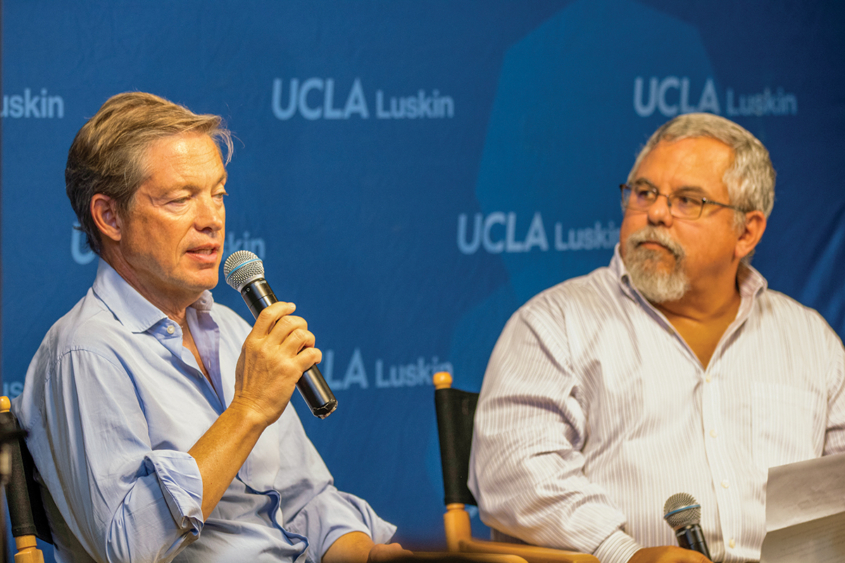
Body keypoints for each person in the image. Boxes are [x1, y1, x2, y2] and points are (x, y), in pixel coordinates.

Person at [14, 92, 408, 563]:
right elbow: (129, 548)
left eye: (218, 194)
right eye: (181, 199)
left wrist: (367, 554)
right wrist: (247, 410)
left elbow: (305, 499)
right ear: (109, 217)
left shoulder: (232, 327)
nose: (211, 220)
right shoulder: (85, 353)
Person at [468, 113, 845, 563]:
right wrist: (623, 554)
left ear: (746, 232)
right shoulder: (555, 323)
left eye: (687, 200)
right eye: (644, 192)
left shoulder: (809, 338)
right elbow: (515, 472)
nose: (656, 213)